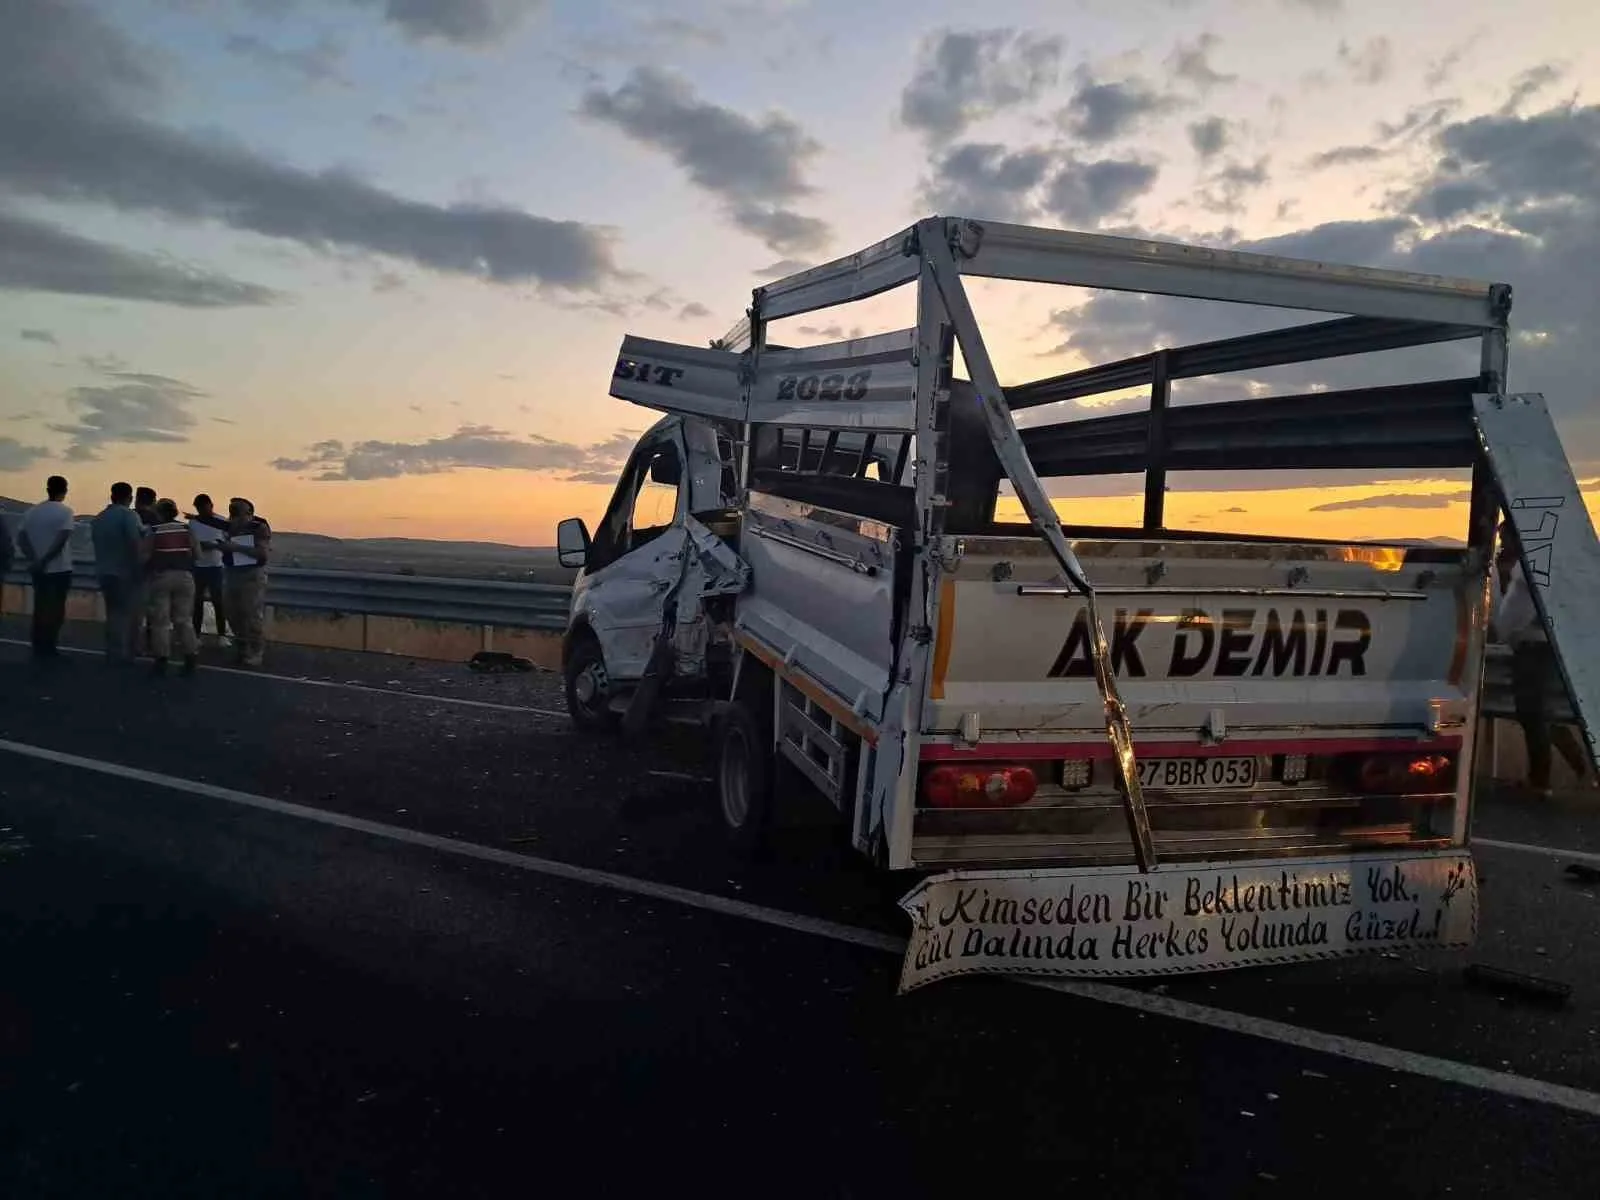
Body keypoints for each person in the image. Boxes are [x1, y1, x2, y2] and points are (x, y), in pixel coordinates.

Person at [1491, 519, 1588, 797]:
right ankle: (1572, 768)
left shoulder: (1528, 567)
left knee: (1532, 712)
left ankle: (1540, 780)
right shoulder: (1544, 563)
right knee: (1543, 712)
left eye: (1505, 537)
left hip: (1532, 647)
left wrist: (1509, 633)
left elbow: (1519, 610)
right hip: (1543, 646)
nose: (1502, 543)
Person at [17, 475, 76, 660]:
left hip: (38, 569)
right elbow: (62, 539)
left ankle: (38, 645)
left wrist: (34, 559)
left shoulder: (32, 512)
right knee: (56, 608)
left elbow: (22, 538)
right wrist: (45, 560)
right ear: (64, 490)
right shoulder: (65, 512)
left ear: (47, 489)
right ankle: (49, 646)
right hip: (59, 568)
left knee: (40, 605)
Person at [143, 498, 201, 677]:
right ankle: (190, 656)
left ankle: (162, 659)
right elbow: (197, 554)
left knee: (160, 621)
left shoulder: (154, 531)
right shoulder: (186, 529)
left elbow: (143, 556)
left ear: (159, 512)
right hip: (185, 577)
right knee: (183, 620)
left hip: (161, 577)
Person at [90, 482, 145, 663]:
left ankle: (112, 650)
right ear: (130, 498)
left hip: (104, 571)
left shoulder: (99, 518)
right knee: (125, 614)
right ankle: (122, 653)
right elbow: (134, 543)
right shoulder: (129, 516)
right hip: (124, 572)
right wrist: (139, 567)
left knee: (112, 612)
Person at [220, 497, 270, 668]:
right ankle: (242, 648)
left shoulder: (258, 528)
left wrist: (236, 548)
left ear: (248, 513)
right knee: (232, 614)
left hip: (251, 575)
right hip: (232, 573)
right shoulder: (228, 526)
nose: (233, 515)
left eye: (237, 511)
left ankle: (256, 651)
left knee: (251, 615)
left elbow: (262, 554)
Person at [188, 493, 229, 641]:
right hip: (198, 566)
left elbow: (227, 543)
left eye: (203, 508)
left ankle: (222, 635)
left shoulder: (222, 521)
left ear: (211, 506)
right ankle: (196, 635)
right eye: (199, 509)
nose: (201, 511)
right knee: (197, 602)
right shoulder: (193, 523)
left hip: (215, 566)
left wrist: (215, 545)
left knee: (218, 602)